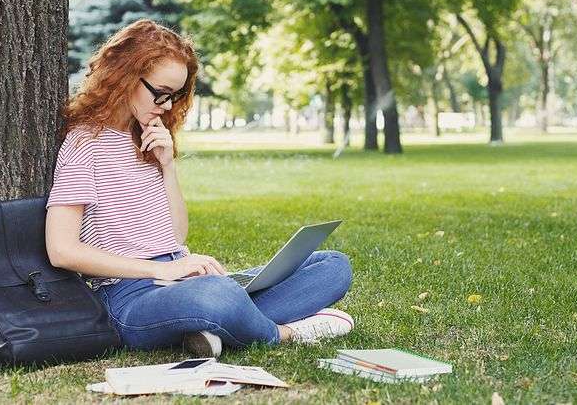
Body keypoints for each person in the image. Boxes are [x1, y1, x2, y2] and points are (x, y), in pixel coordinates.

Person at [44, 19, 354, 358]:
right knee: (216, 296)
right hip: (129, 295)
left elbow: (175, 238)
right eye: (160, 93)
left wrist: (167, 165)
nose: (165, 106)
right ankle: (283, 333)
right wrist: (161, 269)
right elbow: (62, 251)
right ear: (125, 76)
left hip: (183, 277)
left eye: (174, 96)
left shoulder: (147, 139)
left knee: (332, 265)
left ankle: (210, 326)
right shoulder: (84, 143)